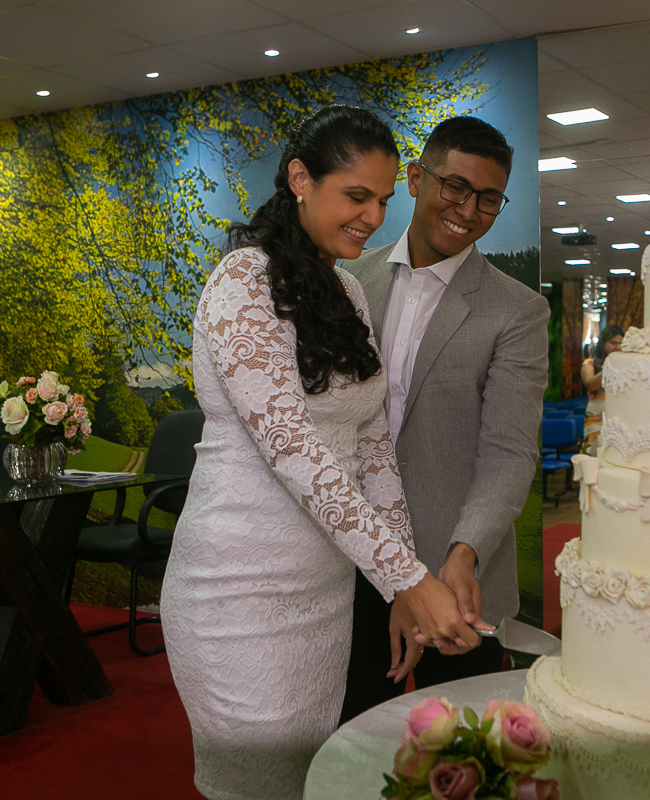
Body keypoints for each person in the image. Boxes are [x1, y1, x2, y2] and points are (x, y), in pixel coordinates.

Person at [159, 105, 479, 800]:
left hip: (323, 598)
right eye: (356, 195)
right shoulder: (241, 282)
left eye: (384, 200)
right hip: (237, 592)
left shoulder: (348, 290)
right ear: (300, 179)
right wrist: (407, 579)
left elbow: (373, 448)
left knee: (309, 781)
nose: (373, 217)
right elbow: (296, 452)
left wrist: (398, 581)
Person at [339, 116, 549, 722]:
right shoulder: (348, 282)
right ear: (415, 178)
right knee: (354, 735)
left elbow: (508, 452)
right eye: (455, 187)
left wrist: (466, 551)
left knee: (459, 747)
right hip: (353, 565)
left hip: (457, 576)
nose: (468, 210)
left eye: (488, 198)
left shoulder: (517, 311)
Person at [580, 324, 624, 417]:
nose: (617, 347)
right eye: (613, 343)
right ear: (603, 343)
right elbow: (591, 385)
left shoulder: (624, 366)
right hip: (595, 416)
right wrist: (610, 367)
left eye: (620, 344)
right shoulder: (589, 363)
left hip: (619, 415)